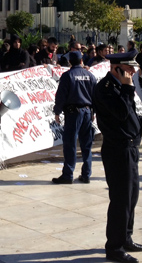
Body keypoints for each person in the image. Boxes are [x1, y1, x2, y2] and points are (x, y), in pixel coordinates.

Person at [93, 50, 142, 263]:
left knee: (132, 196)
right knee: (120, 199)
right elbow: (119, 113)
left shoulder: (122, 86)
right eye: (129, 68)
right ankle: (115, 247)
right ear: (116, 68)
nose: (133, 71)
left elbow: (129, 113)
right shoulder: (106, 88)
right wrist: (128, 88)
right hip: (117, 150)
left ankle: (126, 237)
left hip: (130, 148)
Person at [52, 50, 97, 184]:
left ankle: (68, 175)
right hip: (87, 113)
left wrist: (57, 112)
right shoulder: (90, 75)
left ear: (70, 62)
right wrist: (93, 112)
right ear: (82, 61)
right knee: (86, 145)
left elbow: (61, 96)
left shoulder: (67, 76)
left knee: (70, 144)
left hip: (73, 114)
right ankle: (86, 174)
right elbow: (95, 96)